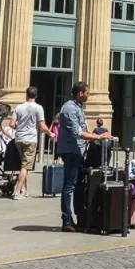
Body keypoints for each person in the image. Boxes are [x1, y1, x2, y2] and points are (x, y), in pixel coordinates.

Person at [56, 82, 107, 232]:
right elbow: (77, 132)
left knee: (78, 184)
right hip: (71, 151)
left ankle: (80, 216)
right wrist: (97, 137)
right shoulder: (69, 108)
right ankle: (66, 219)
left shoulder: (78, 107)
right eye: (87, 93)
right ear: (80, 93)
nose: (89, 96)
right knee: (69, 185)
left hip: (78, 151)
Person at [12, 87, 51, 199]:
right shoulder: (38, 108)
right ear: (36, 96)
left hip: (19, 138)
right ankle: (17, 191)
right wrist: (50, 133)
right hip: (30, 139)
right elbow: (42, 126)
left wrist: (19, 127)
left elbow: (11, 124)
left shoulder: (19, 107)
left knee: (23, 165)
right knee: (25, 166)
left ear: (26, 94)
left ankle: (23, 189)